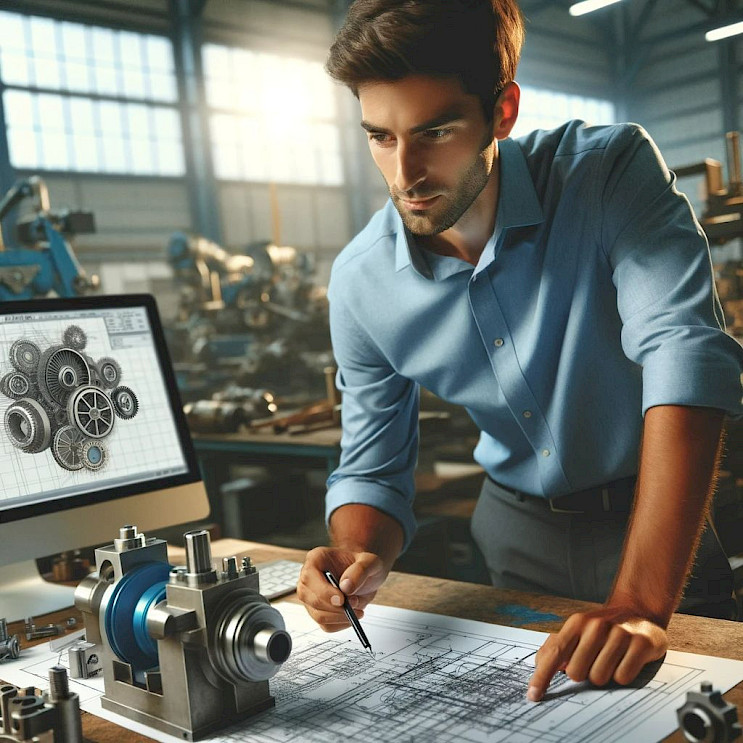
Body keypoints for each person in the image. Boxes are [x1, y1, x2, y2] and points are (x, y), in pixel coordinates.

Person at [296, 0, 743, 702]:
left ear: (501, 111)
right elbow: (372, 467)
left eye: (434, 131)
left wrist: (637, 602)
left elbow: (684, 354)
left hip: (654, 521)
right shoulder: (359, 283)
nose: (404, 172)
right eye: (380, 137)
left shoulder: (608, 173)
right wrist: (356, 556)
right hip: (513, 537)